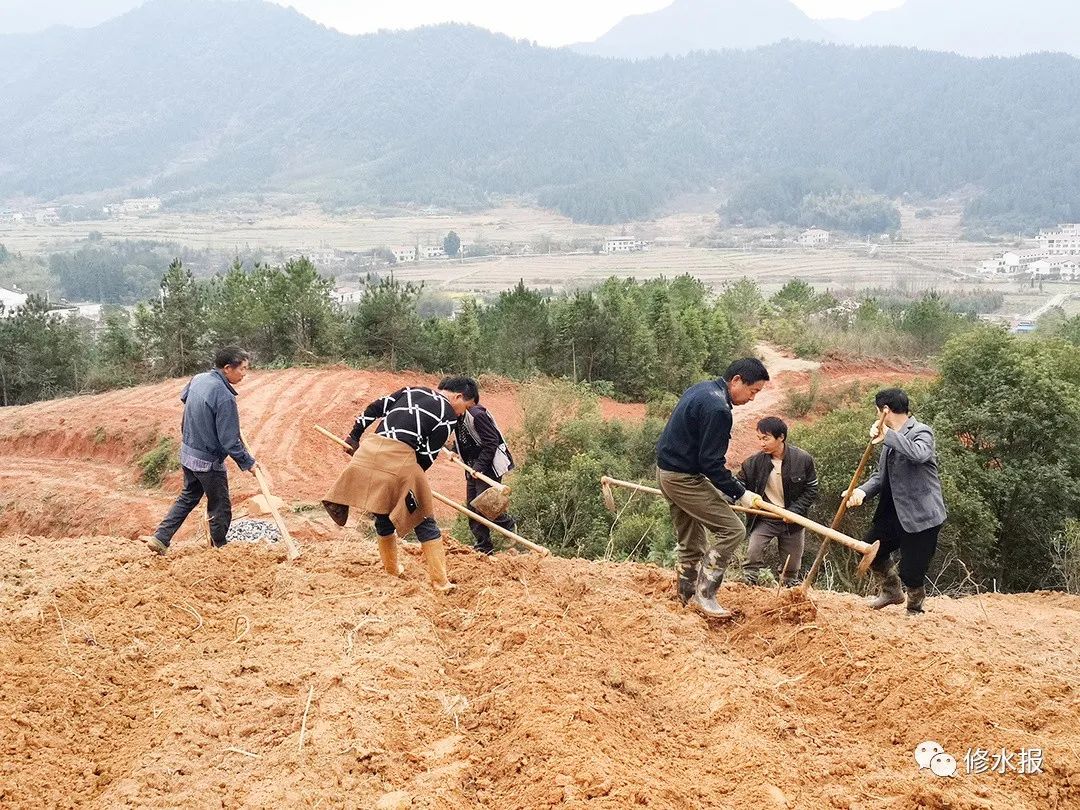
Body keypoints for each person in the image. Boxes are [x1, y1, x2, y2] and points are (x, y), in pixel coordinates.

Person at [322, 376, 479, 591]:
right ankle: (440, 582)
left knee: (382, 512)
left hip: (367, 453)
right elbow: (426, 457)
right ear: (458, 396)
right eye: (465, 407)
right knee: (424, 519)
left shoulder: (412, 391)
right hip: (400, 461)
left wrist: (354, 437)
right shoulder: (448, 416)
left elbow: (375, 407)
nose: (462, 413)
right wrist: (411, 481)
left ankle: (391, 571)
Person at [655, 357, 770, 618]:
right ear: (737, 380)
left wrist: (726, 489)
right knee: (733, 530)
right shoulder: (719, 409)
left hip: (667, 472)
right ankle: (705, 595)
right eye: (753, 392)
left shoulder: (701, 389)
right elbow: (711, 463)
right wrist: (740, 493)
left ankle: (685, 598)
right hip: (683, 478)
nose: (752, 399)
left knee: (690, 541)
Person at [141, 346, 257, 555]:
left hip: (188, 453)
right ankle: (219, 548)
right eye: (243, 369)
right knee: (220, 505)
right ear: (228, 368)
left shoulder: (199, 379)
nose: (244, 374)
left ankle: (161, 538)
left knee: (188, 496)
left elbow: (186, 398)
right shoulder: (224, 397)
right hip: (207, 461)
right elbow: (230, 441)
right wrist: (249, 463)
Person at [846, 388, 947, 614]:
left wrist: (888, 437)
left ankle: (915, 608)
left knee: (912, 569)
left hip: (921, 514)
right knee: (869, 548)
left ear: (885, 410)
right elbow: (881, 477)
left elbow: (919, 454)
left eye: (877, 411)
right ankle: (891, 592)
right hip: (894, 513)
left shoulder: (922, 432)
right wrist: (861, 492)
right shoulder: (889, 440)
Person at [737, 416, 819, 587]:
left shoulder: (802, 459)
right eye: (759, 439)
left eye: (766, 438)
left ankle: (789, 590)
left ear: (780, 437)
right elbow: (737, 485)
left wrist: (794, 511)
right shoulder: (752, 463)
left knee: (792, 566)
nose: (762, 443)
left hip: (792, 521)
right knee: (753, 552)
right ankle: (748, 585)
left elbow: (811, 490)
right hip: (766, 517)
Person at [451, 396, 516, 555]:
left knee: (484, 504)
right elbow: (464, 440)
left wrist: (479, 467)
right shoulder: (459, 416)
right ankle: (483, 546)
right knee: (473, 509)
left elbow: (491, 442)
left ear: (462, 397)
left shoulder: (477, 415)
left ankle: (508, 525)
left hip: (488, 466)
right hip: (472, 467)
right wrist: (454, 451)